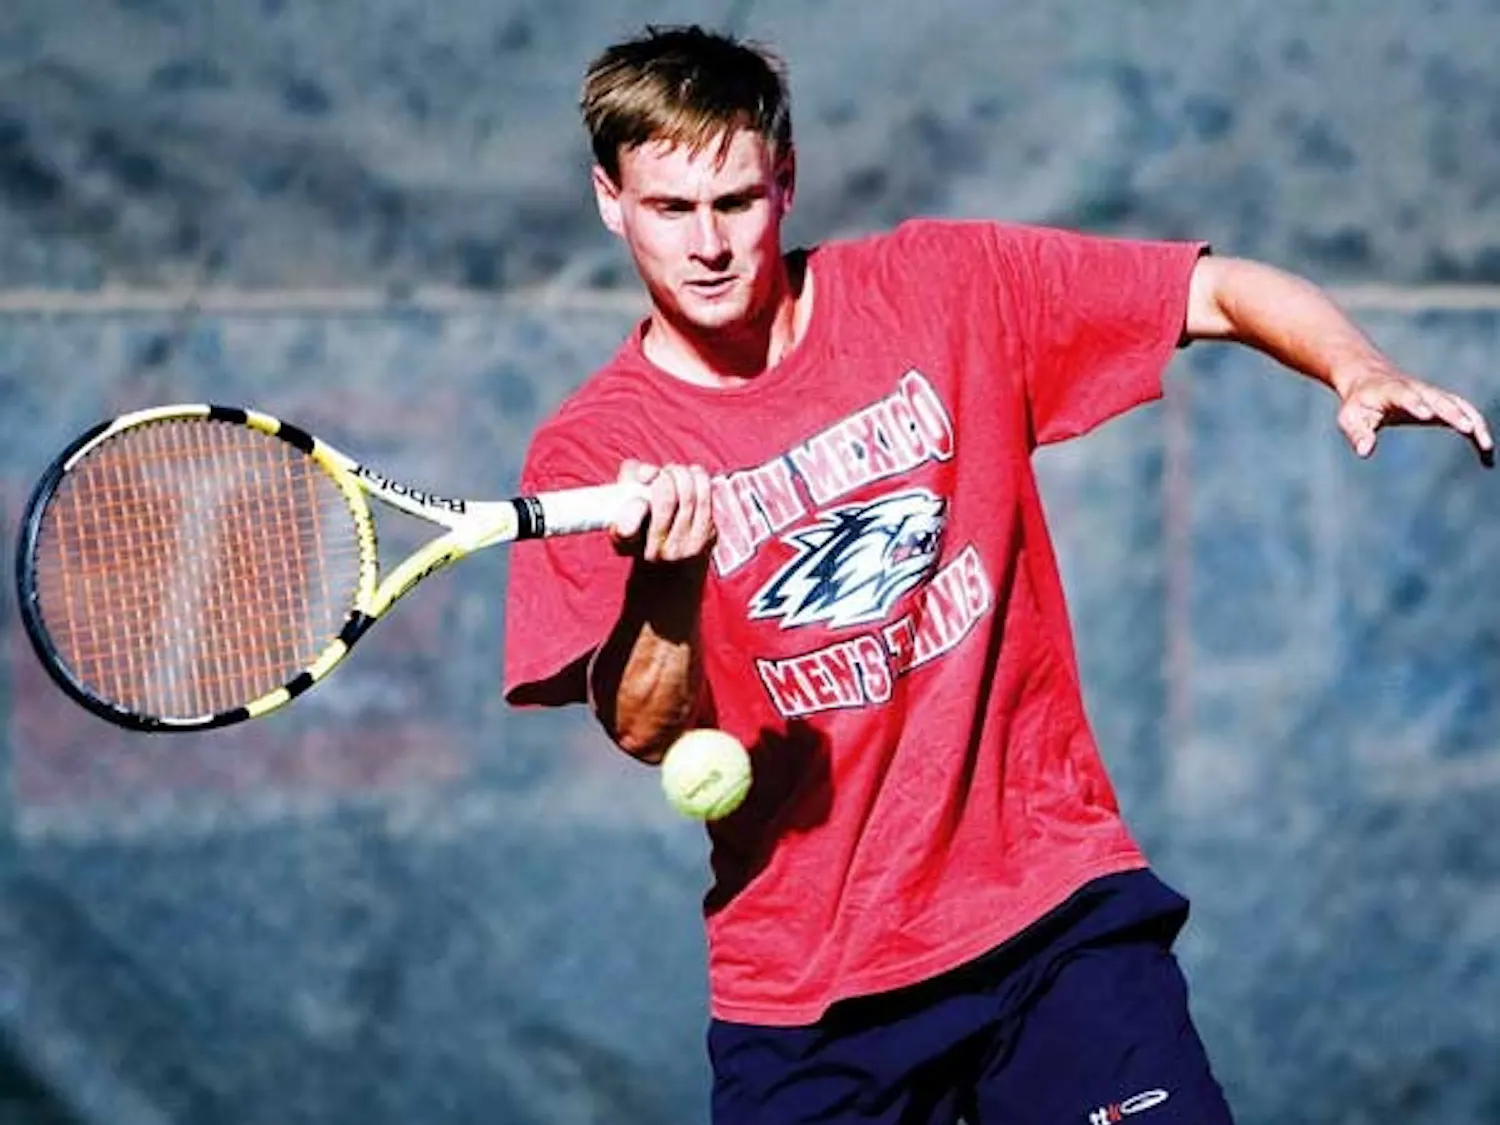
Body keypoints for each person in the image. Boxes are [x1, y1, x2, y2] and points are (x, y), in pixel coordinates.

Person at [503, 24, 1493, 1125]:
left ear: (785, 182)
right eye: (669, 210)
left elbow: (1214, 291)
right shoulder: (590, 451)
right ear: (610, 200)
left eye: (735, 202)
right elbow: (644, 728)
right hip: (810, 995)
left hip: (1051, 921)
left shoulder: (942, 286)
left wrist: (1354, 366)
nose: (709, 246)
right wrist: (668, 581)